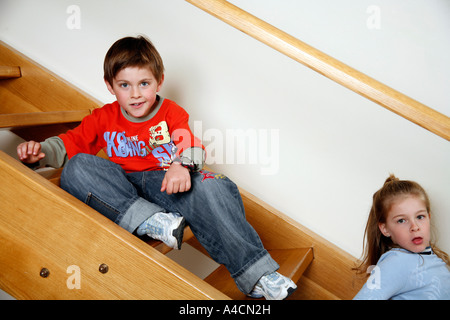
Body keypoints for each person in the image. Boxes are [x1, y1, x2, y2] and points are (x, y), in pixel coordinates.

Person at [16, 35, 296, 300]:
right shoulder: (103, 117)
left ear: (159, 81)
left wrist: (180, 165)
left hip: (166, 183)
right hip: (124, 188)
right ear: (110, 86)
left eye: (144, 84)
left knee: (215, 185)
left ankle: (257, 275)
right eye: (124, 85)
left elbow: (190, 144)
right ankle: (151, 221)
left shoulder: (171, 113)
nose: (135, 94)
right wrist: (40, 152)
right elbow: (71, 143)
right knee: (77, 168)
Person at [353, 174, 450, 300]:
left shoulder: (428, 258)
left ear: (429, 217)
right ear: (385, 229)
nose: (414, 227)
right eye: (401, 220)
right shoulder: (397, 261)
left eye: (420, 217)